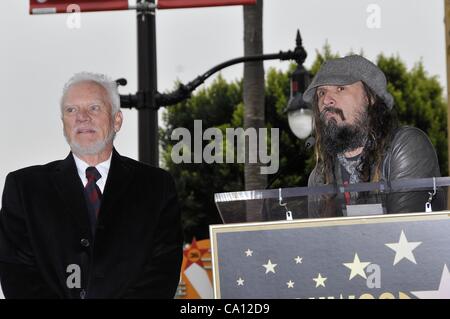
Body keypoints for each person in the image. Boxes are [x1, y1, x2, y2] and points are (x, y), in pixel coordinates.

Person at [0, 72, 183, 298]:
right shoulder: (25, 188)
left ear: (117, 120)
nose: (82, 117)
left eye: (94, 108)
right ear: (63, 123)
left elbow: (162, 272)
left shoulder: (156, 187)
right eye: (71, 110)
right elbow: (17, 273)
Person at [303, 55, 445, 218]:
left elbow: (406, 234)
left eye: (340, 88)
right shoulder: (320, 177)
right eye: (321, 93)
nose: (326, 100)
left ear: (370, 97)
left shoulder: (405, 147)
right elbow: (316, 241)